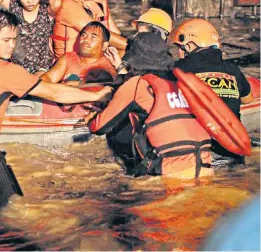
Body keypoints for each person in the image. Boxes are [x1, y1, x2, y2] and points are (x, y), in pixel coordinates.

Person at [0, 7, 112, 143]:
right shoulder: (7, 71)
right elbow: (55, 93)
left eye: (14, 39)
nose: (12, 46)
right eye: (6, 40)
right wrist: (97, 94)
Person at [88, 32, 213, 179]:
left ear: (133, 60)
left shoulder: (136, 85)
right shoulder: (181, 82)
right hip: (205, 165)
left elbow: (98, 127)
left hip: (170, 171)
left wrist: (91, 118)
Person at [171, 18, 254, 165]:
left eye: (180, 46)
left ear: (190, 44)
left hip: (202, 154)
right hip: (234, 152)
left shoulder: (180, 69)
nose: (178, 52)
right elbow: (248, 99)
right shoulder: (232, 70)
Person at [40, 21, 116, 85]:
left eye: (93, 37)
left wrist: (74, 84)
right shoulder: (68, 58)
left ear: (104, 45)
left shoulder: (106, 68)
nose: (86, 39)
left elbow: (103, 88)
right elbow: (49, 77)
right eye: (83, 35)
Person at [9, 0, 55, 74]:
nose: (30, 1)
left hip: (42, 67)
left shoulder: (47, 11)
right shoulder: (14, 9)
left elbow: (56, 3)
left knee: (37, 81)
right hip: (16, 66)